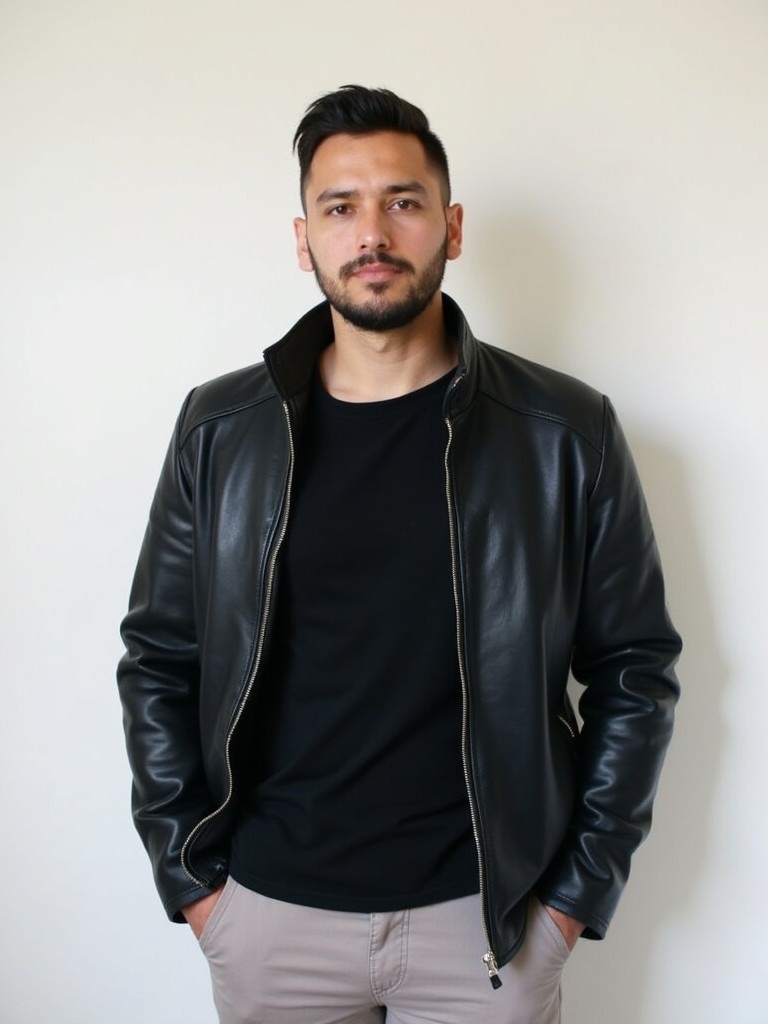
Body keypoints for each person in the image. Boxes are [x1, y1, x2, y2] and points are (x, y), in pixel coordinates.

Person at [117, 85, 681, 1024]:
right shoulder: (221, 429)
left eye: (403, 202)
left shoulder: (563, 432)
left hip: (486, 923)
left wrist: (574, 902)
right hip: (270, 917)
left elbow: (635, 670)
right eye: (340, 207)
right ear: (305, 238)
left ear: (450, 228)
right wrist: (194, 883)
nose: (371, 232)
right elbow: (160, 657)